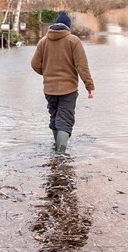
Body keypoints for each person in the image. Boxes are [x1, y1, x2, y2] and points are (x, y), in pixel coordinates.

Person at [31, 11, 94, 153]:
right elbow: (82, 66)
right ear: (68, 27)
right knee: (65, 121)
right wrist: (89, 86)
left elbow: (35, 64)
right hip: (68, 90)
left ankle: (56, 150)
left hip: (49, 89)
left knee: (55, 118)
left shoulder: (43, 41)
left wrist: (47, 73)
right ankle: (60, 155)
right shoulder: (73, 41)